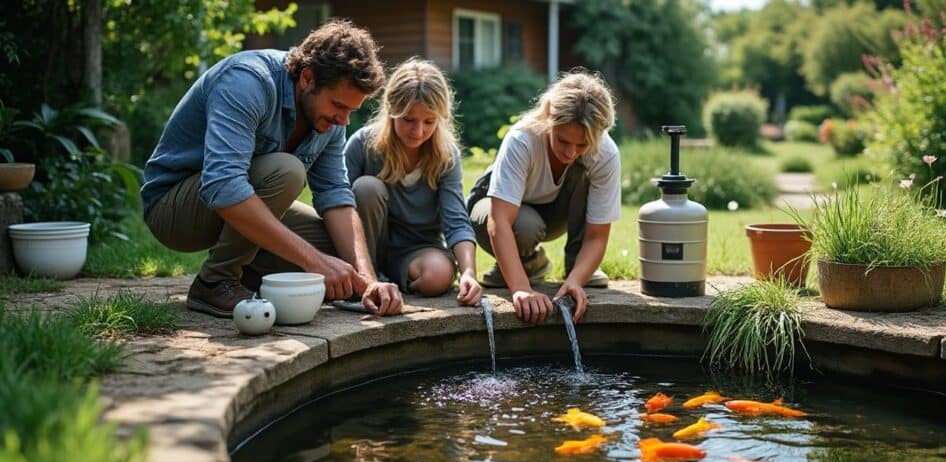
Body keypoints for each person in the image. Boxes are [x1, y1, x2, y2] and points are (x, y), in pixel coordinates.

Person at [140, 20, 403, 318]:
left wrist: (366, 280)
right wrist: (313, 262)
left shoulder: (329, 118)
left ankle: (249, 276)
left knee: (337, 260)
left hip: (233, 207)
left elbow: (335, 195)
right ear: (307, 78)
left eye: (351, 112)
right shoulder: (248, 82)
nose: (343, 121)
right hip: (174, 210)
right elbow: (223, 185)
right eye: (339, 106)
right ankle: (215, 282)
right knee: (288, 172)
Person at [466, 70, 620, 325]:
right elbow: (499, 221)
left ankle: (577, 269)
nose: (571, 153)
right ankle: (524, 265)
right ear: (549, 118)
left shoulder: (606, 153)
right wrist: (520, 288)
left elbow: (596, 236)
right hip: (495, 210)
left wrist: (575, 282)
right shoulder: (522, 139)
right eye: (563, 140)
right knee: (524, 226)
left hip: (553, 212)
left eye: (581, 146)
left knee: (582, 172)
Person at [345, 58, 481, 306]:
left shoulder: (446, 156)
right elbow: (339, 208)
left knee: (438, 276)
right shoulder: (362, 145)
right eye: (408, 119)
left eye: (429, 122)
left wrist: (469, 273)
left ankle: (394, 284)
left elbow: (456, 220)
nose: (418, 132)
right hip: (367, 248)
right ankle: (367, 280)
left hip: (417, 251)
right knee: (366, 187)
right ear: (390, 109)